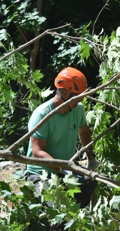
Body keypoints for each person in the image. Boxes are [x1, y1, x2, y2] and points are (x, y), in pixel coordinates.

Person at [24, 67, 99, 209]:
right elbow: (37, 152)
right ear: (65, 93)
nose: (81, 98)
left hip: (65, 169)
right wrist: (62, 168)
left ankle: (77, 216)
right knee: (55, 209)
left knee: (90, 181)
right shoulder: (42, 114)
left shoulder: (78, 109)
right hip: (41, 174)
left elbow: (84, 132)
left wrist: (91, 157)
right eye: (78, 95)